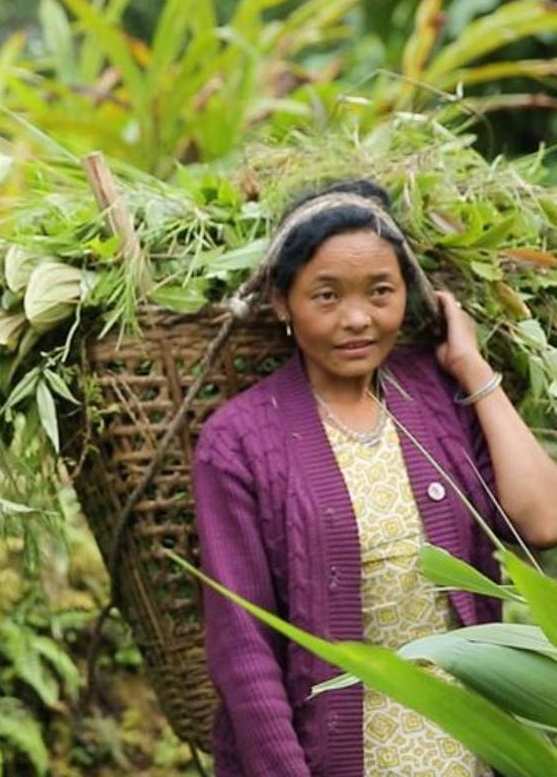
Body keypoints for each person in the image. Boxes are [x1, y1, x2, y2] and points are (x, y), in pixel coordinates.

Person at [192, 179, 557, 776]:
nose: (357, 318)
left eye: (380, 292)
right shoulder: (238, 442)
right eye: (327, 296)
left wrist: (470, 364)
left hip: (470, 741)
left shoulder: (435, 399)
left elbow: (544, 519)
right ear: (283, 302)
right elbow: (242, 649)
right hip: (338, 754)